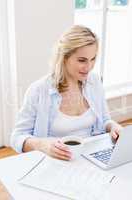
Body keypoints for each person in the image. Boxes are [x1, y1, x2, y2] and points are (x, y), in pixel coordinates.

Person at [10, 25, 122, 160]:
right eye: (82, 60)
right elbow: (17, 137)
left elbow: (104, 120)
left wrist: (113, 126)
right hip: (54, 162)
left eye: (93, 59)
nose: (89, 67)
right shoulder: (38, 90)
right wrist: (42, 145)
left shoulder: (94, 82)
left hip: (92, 158)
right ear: (64, 57)